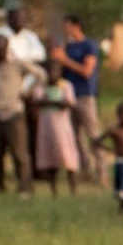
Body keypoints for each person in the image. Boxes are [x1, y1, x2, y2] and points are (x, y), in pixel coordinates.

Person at [0, 34, 40, 195]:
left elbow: (40, 74)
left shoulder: (16, 63)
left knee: (19, 152)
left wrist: (28, 91)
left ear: (7, 47)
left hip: (13, 113)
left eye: (1, 47)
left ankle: (25, 187)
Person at [50, 15, 104, 184]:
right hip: (69, 96)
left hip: (85, 95)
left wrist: (64, 60)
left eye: (67, 26)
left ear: (76, 26)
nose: (66, 30)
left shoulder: (89, 46)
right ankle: (85, 170)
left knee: (93, 134)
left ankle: (102, 172)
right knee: (75, 136)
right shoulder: (67, 46)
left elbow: (87, 71)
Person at [32, 59, 79, 197]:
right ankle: (54, 191)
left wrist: (49, 101)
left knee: (67, 156)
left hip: (62, 127)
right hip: (46, 126)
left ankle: (73, 188)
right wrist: (55, 102)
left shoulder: (66, 86)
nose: (53, 74)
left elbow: (68, 103)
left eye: (55, 71)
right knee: (50, 158)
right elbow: (37, 101)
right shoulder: (41, 86)